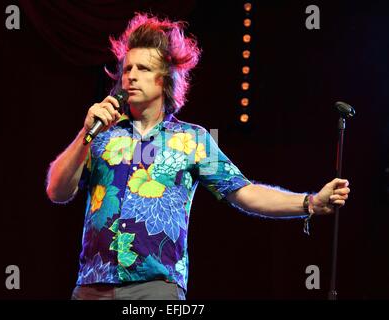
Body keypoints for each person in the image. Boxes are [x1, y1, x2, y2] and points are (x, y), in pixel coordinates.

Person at [46, 13, 351, 300]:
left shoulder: (192, 140)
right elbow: (57, 191)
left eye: (143, 69)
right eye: (127, 69)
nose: (131, 77)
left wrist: (309, 202)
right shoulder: (103, 136)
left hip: (156, 288)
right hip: (91, 285)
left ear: (165, 81)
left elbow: (243, 192)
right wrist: (85, 136)